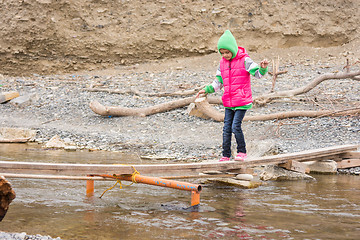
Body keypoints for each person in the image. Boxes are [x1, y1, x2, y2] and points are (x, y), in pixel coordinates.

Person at [196, 30, 269, 162]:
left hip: (241, 101)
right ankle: (226, 155)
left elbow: (258, 74)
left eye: (227, 52)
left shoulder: (245, 60)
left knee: (236, 126)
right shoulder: (222, 63)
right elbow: (218, 83)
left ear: (233, 50)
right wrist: (206, 89)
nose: (225, 55)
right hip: (228, 102)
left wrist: (263, 68)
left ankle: (242, 152)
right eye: (222, 53)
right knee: (226, 128)